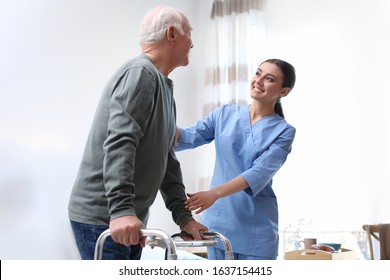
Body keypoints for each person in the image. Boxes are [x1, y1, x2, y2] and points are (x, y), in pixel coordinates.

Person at [68, 5, 207, 260]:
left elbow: (167, 160)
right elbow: (121, 142)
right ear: (172, 34)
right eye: (190, 34)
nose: (192, 43)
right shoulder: (141, 73)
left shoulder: (163, 87)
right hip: (104, 217)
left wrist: (183, 217)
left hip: (128, 219)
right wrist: (121, 211)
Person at [176, 59, 296, 260]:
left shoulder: (284, 131)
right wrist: (156, 121)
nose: (258, 81)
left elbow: (259, 173)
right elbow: (188, 136)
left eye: (269, 78)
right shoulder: (224, 114)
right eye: (258, 73)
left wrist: (213, 193)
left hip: (256, 232)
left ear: (283, 91)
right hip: (219, 223)